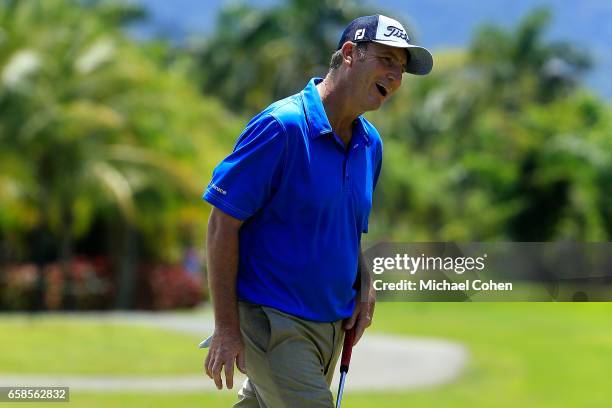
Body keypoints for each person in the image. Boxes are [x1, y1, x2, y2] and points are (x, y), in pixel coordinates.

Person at [200, 14, 433, 408]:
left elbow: (345, 230)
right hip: (273, 322)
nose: (396, 76)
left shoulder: (369, 145)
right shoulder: (282, 127)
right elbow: (223, 222)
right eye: (386, 60)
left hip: (330, 327)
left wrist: (366, 284)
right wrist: (226, 328)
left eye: (402, 68)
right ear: (349, 54)